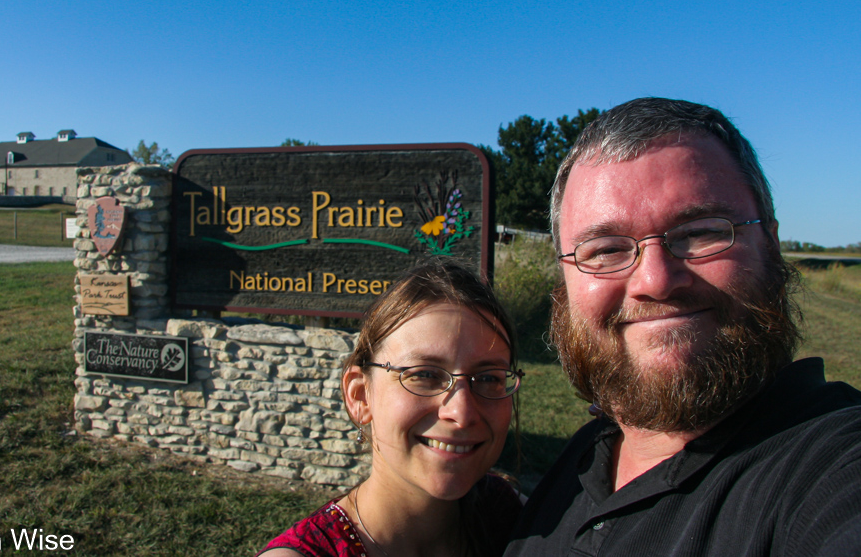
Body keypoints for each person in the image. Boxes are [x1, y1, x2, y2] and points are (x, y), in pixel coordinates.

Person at [505, 97, 861, 556]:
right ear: (566, 277)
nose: (655, 281)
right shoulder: (585, 458)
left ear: (770, 244)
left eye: (699, 233)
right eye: (606, 249)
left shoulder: (830, 467)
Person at [260, 260, 524, 557]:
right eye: (424, 375)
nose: (461, 413)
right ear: (360, 396)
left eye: (489, 378)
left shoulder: (518, 520)